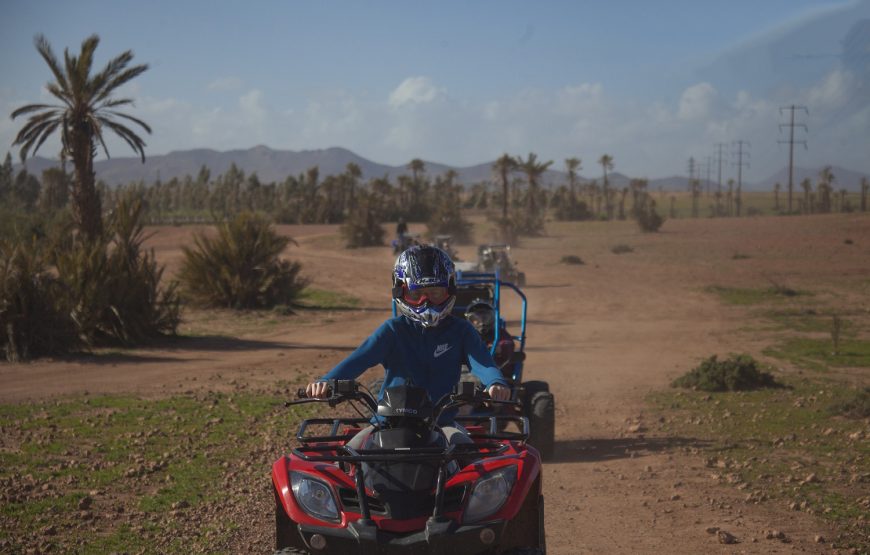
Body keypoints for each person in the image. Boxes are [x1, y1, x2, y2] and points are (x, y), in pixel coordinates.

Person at [305, 245, 510, 446]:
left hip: (441, 425)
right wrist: (327, 381)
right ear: (400, 291)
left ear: (450, 289)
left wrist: (495, 383)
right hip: (386, 423)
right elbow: (358, 360)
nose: (426, 302)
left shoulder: (461, 331)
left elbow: (483, 363)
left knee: (467, 455)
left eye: (436, 293)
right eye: (416, 295)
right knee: (350, 456)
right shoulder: (393, 330)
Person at [464, 299, 515, 375]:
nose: (481, 322)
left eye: (485, 318)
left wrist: (500, 348)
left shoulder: (498, 332)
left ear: (492, 318)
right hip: (468, 371)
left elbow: (508, 343)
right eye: (476, 319)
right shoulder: (466, 333)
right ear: (470, 320)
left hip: (496, 370)